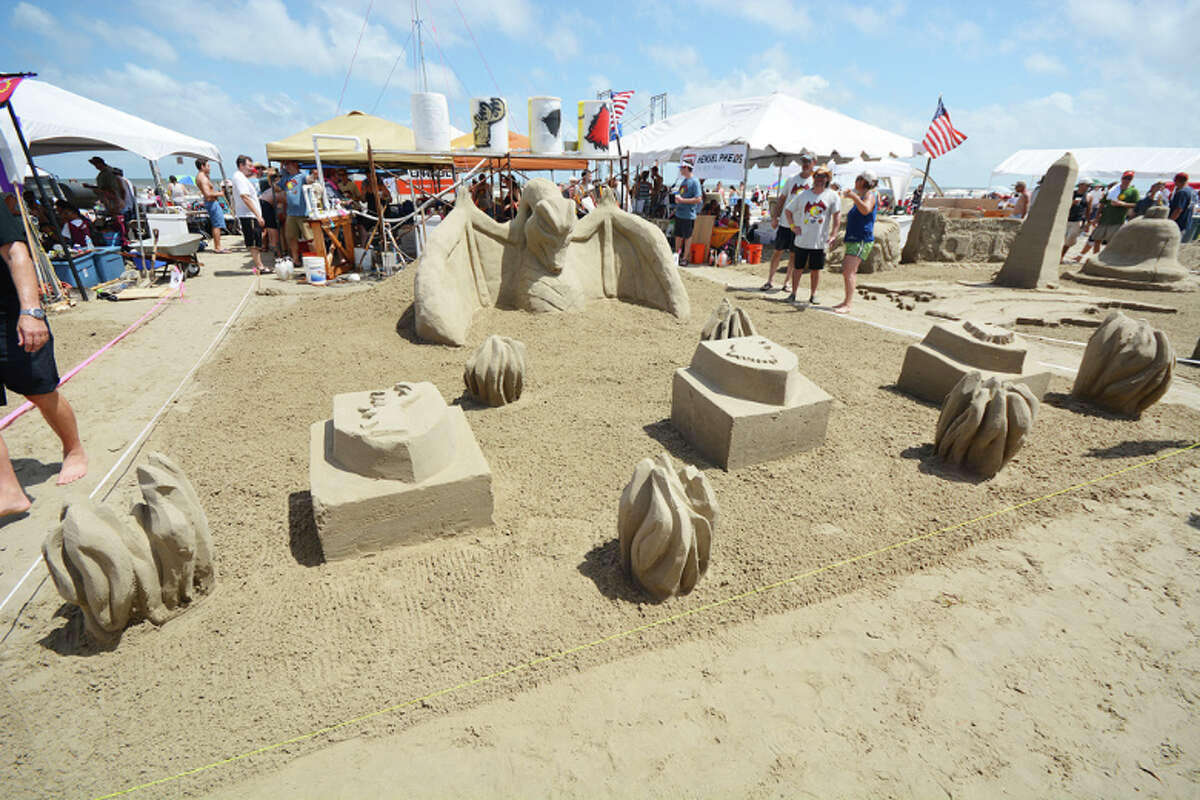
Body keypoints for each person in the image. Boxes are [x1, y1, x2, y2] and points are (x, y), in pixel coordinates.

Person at [0, 201, 88, 512]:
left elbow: (17, 253)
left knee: (39, 391)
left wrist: (31, 311)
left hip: (9, 313)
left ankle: (73, 449)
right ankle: (7, 488)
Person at [783, 166, 839, 304]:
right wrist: (792, 226)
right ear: (813, 178)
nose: (820, 179)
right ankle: (793, 293)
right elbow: (788, 210)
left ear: (827, 179)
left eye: (823, 176)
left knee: (816, 270)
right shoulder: (803, 195)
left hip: (819, 241)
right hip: (802, 239)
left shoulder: (832, 196)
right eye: (817, 176)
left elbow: (837, 216)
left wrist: (833, 235)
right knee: (798, 268)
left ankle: (813, 294)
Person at [761, 153, 814, 291]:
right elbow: (781, 199)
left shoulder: (815, 182)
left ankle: (787, 282)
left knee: (793, 254)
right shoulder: (791, 179)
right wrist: (774, 217)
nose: (805, 164)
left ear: (814, 162)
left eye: (808, 161)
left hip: (801, 225)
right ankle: (770, 280)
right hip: (785, 222)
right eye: (803, 161)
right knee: (777, 251)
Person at [833, 170, 877, 314]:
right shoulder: (862, 196)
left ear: (864, 182)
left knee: (849, 271)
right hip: (854, 238)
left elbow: (866, 210)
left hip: (861, 239)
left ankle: (848, 304)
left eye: (858, 178)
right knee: (847, 270)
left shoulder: (870, 195)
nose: (855, 181)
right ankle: (846, 302)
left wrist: (853, 197)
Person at [1078, 170, 1138, 259]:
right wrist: (1097, 216)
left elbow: (1136, 204)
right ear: (1122, 178)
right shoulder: (1114, 189)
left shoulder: (1133, 191)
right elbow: (1102, 204)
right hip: (1104, 219)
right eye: (1125, 178)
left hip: (1118, 220)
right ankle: (1096, 258)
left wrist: (1122, 204)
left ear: (1132, 180)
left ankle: (1106, 258)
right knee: (1097, 239)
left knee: (1111, 241)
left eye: (1129, 178)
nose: (1126, 180)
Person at [231, 155, 265, 273]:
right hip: (249, 214)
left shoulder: (242, 177)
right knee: (254, 243)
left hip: (250, 214)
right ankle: (260, 266)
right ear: (241, 165)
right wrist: (258, 215)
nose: (252, 168)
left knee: (256, 241)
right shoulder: (239, 177)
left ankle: (259, 265)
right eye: (249, 166)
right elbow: (244, 197)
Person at [83, 156, 127, 245]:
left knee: (117, 222)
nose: (95, 166)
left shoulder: (108, 173)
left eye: (96, 164)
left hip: (113, 201)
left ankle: (119, 241)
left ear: (100, 163)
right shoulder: (106, 172)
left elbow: (111, 189)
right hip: (111, 200)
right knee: (115, 222)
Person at [279, 160, 311, 264]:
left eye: (287, 164)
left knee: (310, 238)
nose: (286, 167)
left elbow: (310, 180)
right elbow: (276, 187)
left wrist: (314, 175)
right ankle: (296, 260)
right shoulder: (286, 178)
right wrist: (272, 177)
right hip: (291, 213)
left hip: (303, 212)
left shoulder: (302, 176)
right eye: (285, 165)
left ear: (295, 164)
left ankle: (316, 258)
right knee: (291, 237)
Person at [672, 161, 702, 266]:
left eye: (681, 168)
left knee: (687, 236)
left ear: (686, 168)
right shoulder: (684, 181)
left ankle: (684, 258)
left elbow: (698, 199)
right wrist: (677, 200)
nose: (680, 170)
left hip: (688, 214)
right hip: (680, 213)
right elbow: (682, 195)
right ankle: (676, 256)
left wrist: (682, 201)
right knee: (678, 236)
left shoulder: (695, 182)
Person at [195, 158, 228, 253]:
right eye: (208, 166)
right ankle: (218, 247)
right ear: (202, 166)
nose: (210, 168)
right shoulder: (202, 178)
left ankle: (218, 246)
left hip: (211, 202)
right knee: (217, 225)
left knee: (216, 224)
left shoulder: (203, 176)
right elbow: (207, 194)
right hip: (211, 202)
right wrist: (220, 194)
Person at [1061, 179, 1090, 262]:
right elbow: (1063, 205)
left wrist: (1088, 222)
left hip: (1078, 220)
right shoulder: (1071, 194)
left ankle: (1061, 256)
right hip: (1066, 218)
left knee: (1070, 239)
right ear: (1080, 184)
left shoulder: (1088, 196)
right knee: (1063, 239)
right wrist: (1072, 203)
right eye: (1086, 185)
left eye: (1089, 186)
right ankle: (1059, 255)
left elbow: (1088, 209)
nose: (1088, 187)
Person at [1168, 173, 1196, 242]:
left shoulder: (1182, 192)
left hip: (1178, 224)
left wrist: (1169, 221)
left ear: (1177, 181)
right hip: (1187, 222)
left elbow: (1178, 209)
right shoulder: (1192, 190)